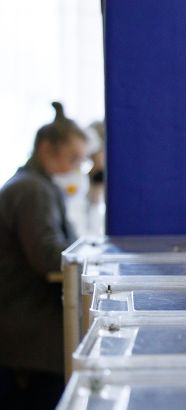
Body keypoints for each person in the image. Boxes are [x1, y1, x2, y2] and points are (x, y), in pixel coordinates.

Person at [0, 102, 87, 408]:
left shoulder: (33, 185)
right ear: (47, 148)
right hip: (31, 335)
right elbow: (50, 257)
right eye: (73, 158)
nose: (76, 169)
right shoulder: (32, 191)